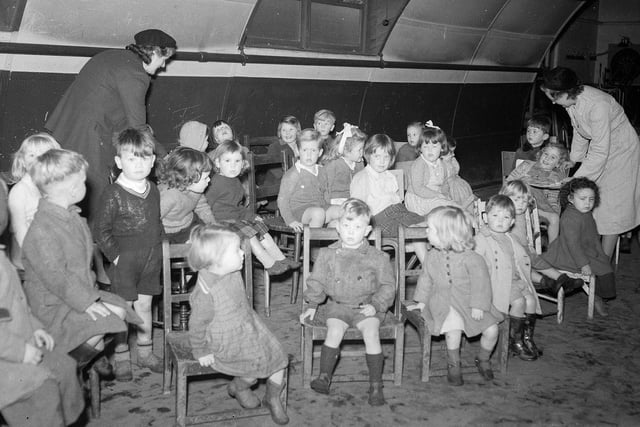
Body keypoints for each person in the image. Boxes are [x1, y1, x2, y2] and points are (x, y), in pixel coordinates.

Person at [21, 149, 140, 375]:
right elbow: (57, 278)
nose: (86, 187)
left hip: (74, 294)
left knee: (120, 311)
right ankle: (65, 368)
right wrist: (86, 302)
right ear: (73, 188)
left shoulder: (69, 216)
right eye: (83, 182)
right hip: (52, 305)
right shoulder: (42, 230)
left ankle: (85, 357)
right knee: (109, 318)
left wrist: (89, 297)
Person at [45, 29, 176, 221]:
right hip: (89, 136)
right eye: (164, 58)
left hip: (67, 126)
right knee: (94, 195)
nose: (164, 65)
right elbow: (137, 127)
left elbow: (117, 110)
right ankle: (91, 242)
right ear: (155, 52)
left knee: (65, 188)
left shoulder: (114, 57)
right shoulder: (135, 74)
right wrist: (164, 154)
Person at [187, 225, 289, 425]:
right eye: (236, 250)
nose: (243, 252)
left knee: (280, 358)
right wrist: (201, 350)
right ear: (216, 261)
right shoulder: (206, 292)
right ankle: (240, 387)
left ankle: (273, 397)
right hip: (226, 340)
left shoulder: (230, 270)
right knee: (251, 374)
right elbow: (197, 325)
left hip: (248, 326)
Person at [300, 199, 395, 405]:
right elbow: (317, 282)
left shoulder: (378, 257)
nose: (351, 232)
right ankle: (324, 376)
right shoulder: (327, 254)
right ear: (337, 227)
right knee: (334, 331)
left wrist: (377, 304)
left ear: (368, 230)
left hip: (367, 307)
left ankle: (376, 385)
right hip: (339, 305)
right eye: (346, 226)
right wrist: (312, 305)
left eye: (357, 227)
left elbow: (388, 286)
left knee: (371, 333)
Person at [541, 66, 640, 257]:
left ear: (566, 92)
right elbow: (580, 131)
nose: (553, 103)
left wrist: (577, 179)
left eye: (554, 97)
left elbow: (600, 150)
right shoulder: (570, 102)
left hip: (622, 154)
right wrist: (574, 159)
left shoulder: (597, 105)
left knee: (610, 210)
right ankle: (590, 252)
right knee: (593, 203)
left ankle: (603, 265)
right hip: (602, 151)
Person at [93, 128, 164, 380]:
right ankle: (122, 357)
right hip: (124, 261)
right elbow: (100, 231)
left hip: (151, 258)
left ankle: (145, 352)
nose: (139, 164)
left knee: (145, 306)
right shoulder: (113, 193)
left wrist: (161, 247)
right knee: (124, 309)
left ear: (153, 161)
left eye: (144, 158)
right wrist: (117, 257)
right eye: (132, 158)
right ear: (119, 162)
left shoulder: (153, 189)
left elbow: (157, 223)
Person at [407, 206, 503, 385]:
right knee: (453, 329)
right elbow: (425, 280)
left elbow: (481, 285)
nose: (426, 231)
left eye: (430, 229)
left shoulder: (473, 259)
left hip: (470, 301)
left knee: (492, 330)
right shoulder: (431, 256)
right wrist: (421, 302)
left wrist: (478, 305)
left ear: (446, 235)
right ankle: (454, 365)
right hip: (442, 301)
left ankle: (483, 358)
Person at [0, 247, 84, 427]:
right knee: (44, 388)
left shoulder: (1, 256)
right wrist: (21, 351)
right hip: (7, 355)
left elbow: (17, 304)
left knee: (66, 367)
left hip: (13, 340)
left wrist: (35, 328)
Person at [206, 141, 298, 275]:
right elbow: (205, 206)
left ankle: (281, 259)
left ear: (243, 164)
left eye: (237, 161)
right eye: (227, 161)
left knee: (262, 230)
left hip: (235, 220)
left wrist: (252, 216)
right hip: (220, 224)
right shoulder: (216, 183)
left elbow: (238, 207)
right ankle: (269, 264)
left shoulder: (236, 182)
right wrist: (210, 224)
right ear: (218, 163)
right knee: (250, 236)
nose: (233, 165)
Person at [534, 178, 616, 317]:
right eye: (583, 199)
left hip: (584, 250)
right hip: (567, 254)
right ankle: (597, 296)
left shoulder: (586, 213)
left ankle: (598, 294)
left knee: (605, 266)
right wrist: (583, 264)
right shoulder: (570, 217)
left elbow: (592, 236)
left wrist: (599, 252)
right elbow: (573, 245)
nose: (588, 203)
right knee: (604, 271)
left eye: (591, 199)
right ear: (571, 199)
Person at [474, 195, 542, 360]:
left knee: (531, 300)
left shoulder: (511, 238)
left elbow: (521, 259)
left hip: (515, 280)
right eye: (495, 215)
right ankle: (515, 340)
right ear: (485, 217)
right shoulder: (481, 239)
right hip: (497, 282)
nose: (500, 221)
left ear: (512, 222)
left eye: (505, 217)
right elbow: (474, 264)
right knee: (519, 302)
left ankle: (527, 338)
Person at [350, 133, 428, 262]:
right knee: (418, 230)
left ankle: (429, 263)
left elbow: (398, 203)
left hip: (398, 213)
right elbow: (356, 209)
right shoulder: (362, 177)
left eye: (386, 157)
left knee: (432, 222)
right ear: (368, 155)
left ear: (391, 158)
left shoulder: (390, 177)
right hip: (378, 221)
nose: (382, 161)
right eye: (377, 156)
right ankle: (429, 270)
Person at [499, 180, 584, 295]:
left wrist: (549, 215)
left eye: (524, 201)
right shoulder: (504, 213)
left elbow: (540, 212)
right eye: (516, 199)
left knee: (538, 262)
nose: (520, 204)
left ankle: (562, 280)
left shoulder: (524, 211)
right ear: (505, 199)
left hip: (525, 249)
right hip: (510, 251)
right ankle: (550, 282)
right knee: (525, 263)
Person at [7, 133, 61, 269]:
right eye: (31, 155)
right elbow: (19, 229)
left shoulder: (51, 189)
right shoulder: (20, 191)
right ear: (22, 161)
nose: (38, 159)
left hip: (48, 246)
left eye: (44, 154)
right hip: (24, 250)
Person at [277, 129, 341, 232]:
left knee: (341, 210)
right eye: (305, 150)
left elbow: (326, 193)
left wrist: (330, 205)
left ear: (320, 152)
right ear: (298, 151)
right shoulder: (293, 174)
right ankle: (310, 245)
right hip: (299, 212)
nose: (309, 155)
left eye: (313, 150)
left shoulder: (321, 170)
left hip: (319, 207)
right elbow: (282, 200)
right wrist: (290, 220)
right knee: (318, 213)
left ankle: (330, 242)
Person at [507, 142, 570, 243]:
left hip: (537, 209)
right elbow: (508, 182)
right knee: (524, 185)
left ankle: (553, 251)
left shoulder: (555, 177)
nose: (547, 158)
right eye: (546, 154)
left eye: (553, 157)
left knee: (554, 218)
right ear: (540, 154)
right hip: (517, 202)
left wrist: (554, 213)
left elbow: (553, 201)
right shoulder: (526, 165)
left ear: (558, 163)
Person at [157, 147, 217, 243]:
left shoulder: (196, 190)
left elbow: (202, 207)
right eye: (205, 178)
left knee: (209, 240)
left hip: (189, 223)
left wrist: (213, 225)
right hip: (166, 231)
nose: (209, 180)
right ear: (188, 179)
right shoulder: (168, 196)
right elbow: (154, 219)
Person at [405, 123, 459, 216]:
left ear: (442, 148)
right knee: (446, 207)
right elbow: (418, 188)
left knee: (452, 203)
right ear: (420, 148)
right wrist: (438, 196)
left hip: (434, 197)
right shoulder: (419, 164)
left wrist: (445, 196)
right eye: (425, 147)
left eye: (434, 147)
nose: (430, 151)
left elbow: (445, 184)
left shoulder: (442, 164)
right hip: (417, 199)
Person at [320, 123, 366, 205]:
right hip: (336, 201)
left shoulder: (360, 164)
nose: (362, 152)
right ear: (346, 151)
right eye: (359, 150)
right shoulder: (334, 165)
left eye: (363, 149)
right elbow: (324, 187)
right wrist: (329, 202)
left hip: (354, 199)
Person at [442, 137, 476, 211]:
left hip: (459, 185)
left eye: (454, 151)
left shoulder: (452, 160)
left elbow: (456, 170)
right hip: (451, 190)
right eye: (451, 152)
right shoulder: (440, 165)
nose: (453, 154)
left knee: (468, 207)